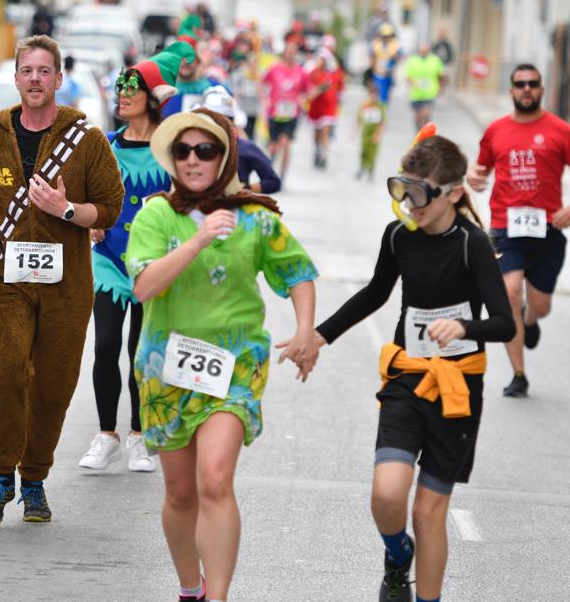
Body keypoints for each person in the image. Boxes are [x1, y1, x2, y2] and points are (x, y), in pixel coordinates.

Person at [126, 111, 318, 602]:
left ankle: (219, 597)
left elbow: (296, 272)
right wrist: (198, 238)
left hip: (234, 366)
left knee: (213, 479)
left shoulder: (255, 218)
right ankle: (191, 587)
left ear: (224, 158)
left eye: (205, 150)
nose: (193, 160)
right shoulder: (155, 215)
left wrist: (304, 332)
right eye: (183, 151)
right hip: (164, 367)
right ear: (172, 158)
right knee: (180, 493)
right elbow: (145, 286)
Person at [313, 135, 515, 602]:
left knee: (428, 514)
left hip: (457, 390)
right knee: (387, 494)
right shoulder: (398, 236)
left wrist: (464, 327)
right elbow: (375, 293)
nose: (411, 203)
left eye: (422, 194)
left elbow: (504, 324)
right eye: (404, 190)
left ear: (455, 193)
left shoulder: (473, 245)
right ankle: (396, 554)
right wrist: (319, 335)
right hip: (407, 376)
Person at [0, 35, 124, 525]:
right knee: (5, 366)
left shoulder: (87, 139)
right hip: (2, 275)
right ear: (16, 78)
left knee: (52, 382)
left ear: (57, 78)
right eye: (26, 70)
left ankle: (34, 479)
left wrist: (66, 209)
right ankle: (1, 475)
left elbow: (109, 208)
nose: (35, 79)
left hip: (67, 282)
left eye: (44, 71)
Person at [78, 45, 188, 473]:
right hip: (107, 262)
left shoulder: (172, 151)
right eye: (119, 87)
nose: (121, 94)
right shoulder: (103, 145)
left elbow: (187, 203)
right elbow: (88, 195)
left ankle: (140, 435)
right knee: (106, 345)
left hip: (153, 266)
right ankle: (107, 435)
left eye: (131, 87)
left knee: (142, 351)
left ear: (154, 97)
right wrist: (91, 221)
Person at [467, 64, 570, 398]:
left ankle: (529, 319)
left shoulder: (559, 130)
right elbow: (479, 171)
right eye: (520, 84)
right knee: (510, 292)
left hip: (548, 229)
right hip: (505, 228)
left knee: (541, 306)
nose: (526, 89)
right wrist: (473, 178)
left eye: (532, 84)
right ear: (511, 90)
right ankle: (519, 373)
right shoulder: (496, 130)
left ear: (541, 89)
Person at [195, 86, 280, 194]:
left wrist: (245, 189)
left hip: (233, 207)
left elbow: (274, 182)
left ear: (231, 121)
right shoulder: (191, 147)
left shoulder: (246, 149)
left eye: (222, 119)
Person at [261, 40, 310, 181]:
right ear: (284, 53)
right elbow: (262, 84)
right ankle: (270, 169)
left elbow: (308, 91)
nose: (291, 55)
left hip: (292, 113)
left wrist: (303, 99)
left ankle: (282, 176)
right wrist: (265, 99)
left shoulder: (301, 72)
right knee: (273, 146)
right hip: (275, 112)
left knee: (286, 143)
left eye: (293, 53)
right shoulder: (274, 69)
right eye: (289, 52)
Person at [307, 47, 345, 169]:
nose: (321, 61)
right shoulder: (314, 73)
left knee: (325, 132)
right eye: (320, 59)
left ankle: (324, 156)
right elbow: (309, 88)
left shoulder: (335, 73)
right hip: (315, 108)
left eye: (323, 59)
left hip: (329, 108)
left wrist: (340, 101)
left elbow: (341, 88)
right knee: (316, 134)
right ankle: (317, 151)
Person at [405, 42, 446, 131]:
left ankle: (425, 136)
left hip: (429, 93)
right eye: (422, 50)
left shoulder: (435, 60)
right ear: (419, 51)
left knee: (426, 114)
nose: (423, 52)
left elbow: (441, 75)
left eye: (425, 50)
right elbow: (408, 76)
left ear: (429, 50)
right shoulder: (412, 60)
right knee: (418, 116)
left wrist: (441, 87)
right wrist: (412, 83)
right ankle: (418, 133)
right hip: (416, 94)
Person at [358, 72, 388, 180]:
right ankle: (361, 168)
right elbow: (359, 117)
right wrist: (355, 129)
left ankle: (371, 170)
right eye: (370, 94)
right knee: (363, 151)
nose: (372, 96)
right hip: (365, 132)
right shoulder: (364, 105)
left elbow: (383, 121)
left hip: (374, 132)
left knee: (373, 153)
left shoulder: (380, 106)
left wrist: (378, 134)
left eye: (374, 94)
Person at [370, 24, 402, 105]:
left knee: (385, 95)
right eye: (384, 36)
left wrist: (395, 58)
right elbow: (372, 57)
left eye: (388, 36)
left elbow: (398, 57)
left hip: (389, 73)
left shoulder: (395, 44)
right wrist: (374, 69)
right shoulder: (375, 43)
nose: (386, 38)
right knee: (376, 91)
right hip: (377, 72)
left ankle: (383, 108)